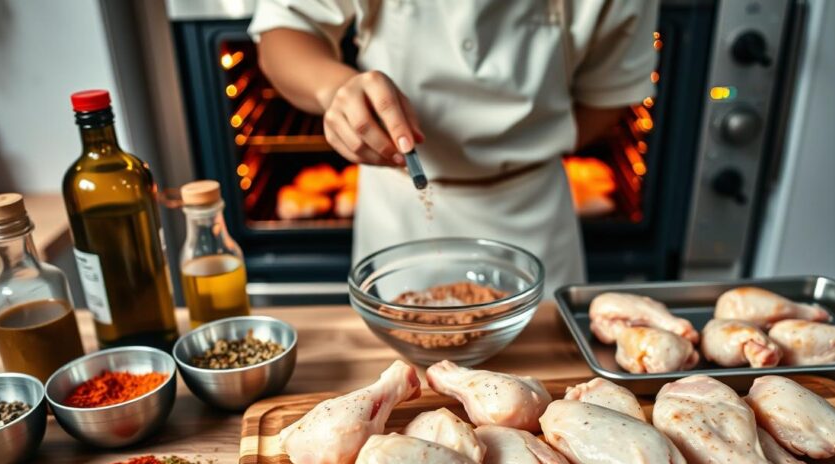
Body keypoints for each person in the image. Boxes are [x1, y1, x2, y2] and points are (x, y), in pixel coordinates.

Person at [251, 1, 659, 290]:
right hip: (398, 211)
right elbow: (284, 32)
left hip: (533, 215)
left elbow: (610, 93)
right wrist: (334, 88)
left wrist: (525, 145)